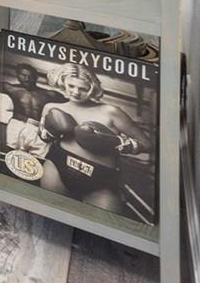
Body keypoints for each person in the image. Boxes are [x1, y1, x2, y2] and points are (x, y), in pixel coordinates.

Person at [36, 63, 149, 214]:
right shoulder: (51, 107)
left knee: (105, 225)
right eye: (71, 86)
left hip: (100, 179)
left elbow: (147, 144)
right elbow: (44, 137)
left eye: (82, 88)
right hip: (58, 166)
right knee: (52, 215)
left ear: (92, 88)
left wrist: (120, 143)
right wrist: (48, 133)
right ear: (64, 83)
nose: (75, 92)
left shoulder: (111, 112)